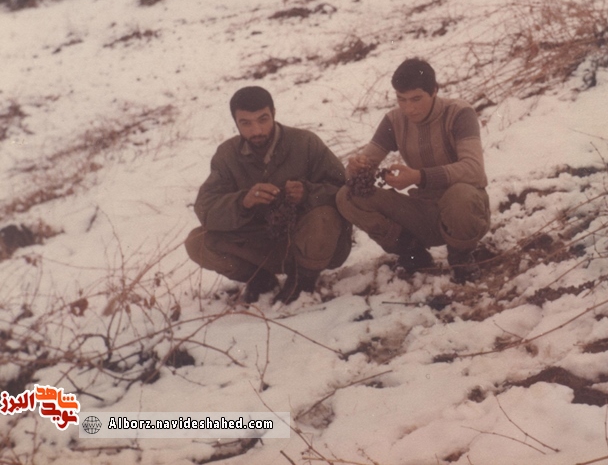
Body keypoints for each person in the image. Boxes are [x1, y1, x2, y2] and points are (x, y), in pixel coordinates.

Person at [185, 86, 351, 304]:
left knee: (324, 217)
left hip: (311, 243)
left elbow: (345, 190)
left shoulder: (305, 143)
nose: (257, 130)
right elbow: (205, 208)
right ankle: (260, 280)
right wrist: (243, 202)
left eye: (263, 119)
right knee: (197, 242)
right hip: (261, 246)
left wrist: (308, 193)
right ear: (235, 122)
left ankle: (304, 280)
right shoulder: (226, 155)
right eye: (246, 123)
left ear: (273, 113)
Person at [336, 58, 490, 283]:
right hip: (423, 212)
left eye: (417, 99)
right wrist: (356, 168)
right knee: (348, 196)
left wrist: (419, 176)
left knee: (461, 195)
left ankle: (461, 256)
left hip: (465, 212)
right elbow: (363, 166)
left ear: (434, 90)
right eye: (401, 99)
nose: (409, 108)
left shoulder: (459, 113)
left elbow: (474, 170)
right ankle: (413, 252)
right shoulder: (394, 120)